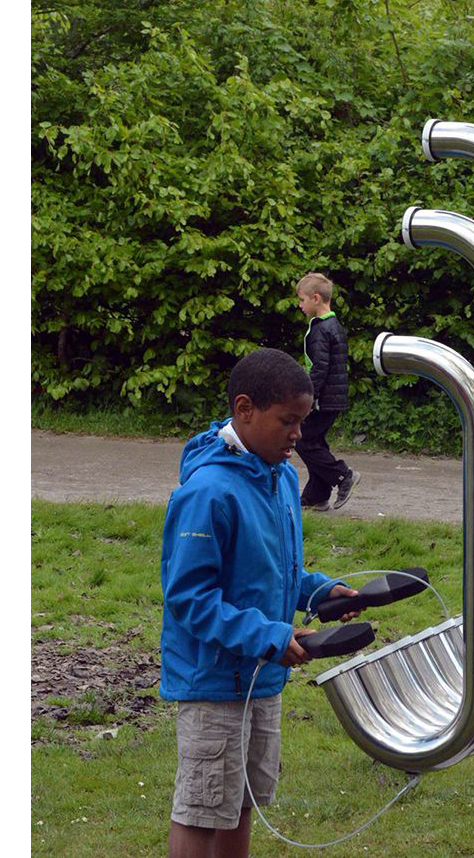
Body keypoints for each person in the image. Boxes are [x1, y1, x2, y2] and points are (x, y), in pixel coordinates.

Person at [159, 348, 360, 858]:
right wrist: (269, 635)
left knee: (243, 800)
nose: (298, 434)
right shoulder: (208, 492)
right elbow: (189, 599)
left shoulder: (281, 478)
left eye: (302, 422)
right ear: (244, 409)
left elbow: (274, 571)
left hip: (262, 677)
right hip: (215, 683)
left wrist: (320, 592)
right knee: (204, 810)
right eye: (287, 421)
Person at [294, 273, 360, 511]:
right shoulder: (333, 326)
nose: (300, 305)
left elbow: (320, 368)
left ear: (316, 298)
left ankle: (343, 476)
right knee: (315, 442)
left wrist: (309, 397)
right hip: (333, 397)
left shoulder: (321, 330)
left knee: (302, 440)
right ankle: (317, 496)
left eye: (302, 300)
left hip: (324, 398)